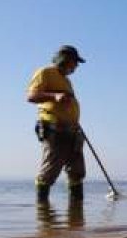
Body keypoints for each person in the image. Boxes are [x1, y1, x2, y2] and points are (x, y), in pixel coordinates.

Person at [27, 45, 86, 202]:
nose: (76, 66)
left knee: (76, 171)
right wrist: (55, 96)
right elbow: (31, 96)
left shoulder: (66, 80)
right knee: (50, 170)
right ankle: (43, 213)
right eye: (75, 62)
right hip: (54, 129)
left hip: (72, 130)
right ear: (64, 60)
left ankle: (76, 218)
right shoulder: (45, 72)